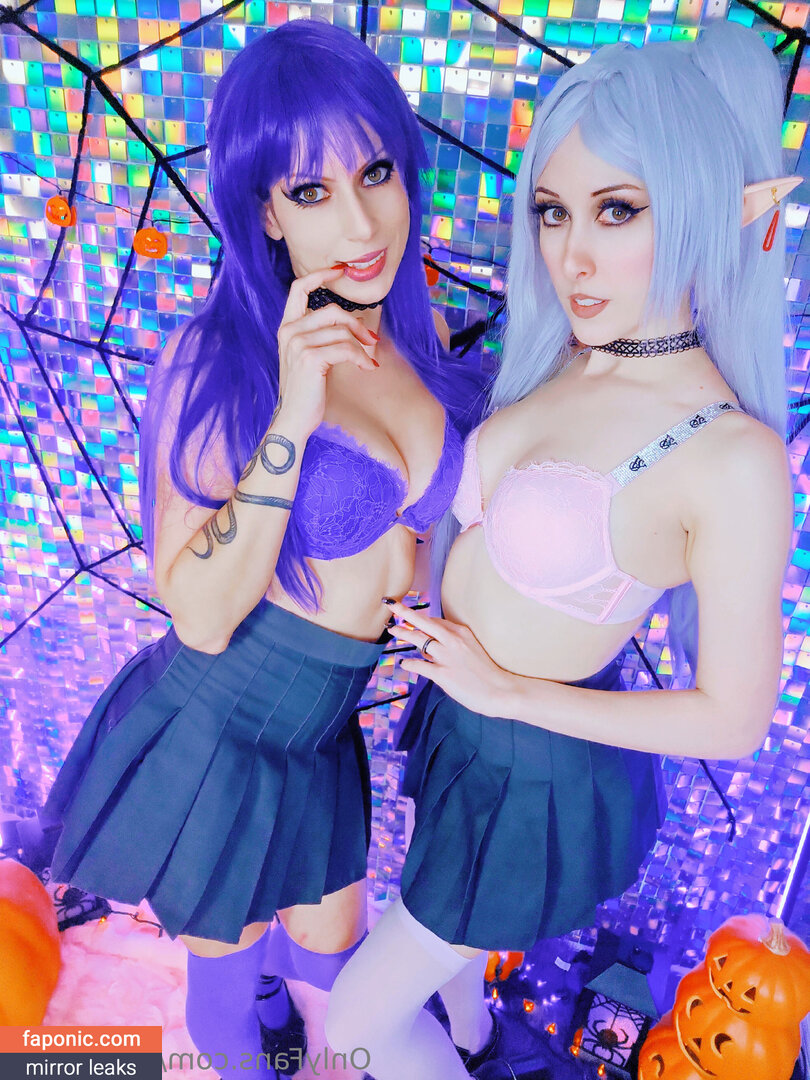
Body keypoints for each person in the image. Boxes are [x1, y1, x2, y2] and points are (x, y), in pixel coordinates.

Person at [325, 20, 798, 1079]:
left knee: (354, 1031)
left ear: (704, 208)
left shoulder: (729, 454)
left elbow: (733, 722)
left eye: (617, 210)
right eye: (553, 211)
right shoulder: (566, 359)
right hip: (461, 726)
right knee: (445, 942)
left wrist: (509, 691)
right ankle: (477, 1038)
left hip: (530, 763)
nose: (571, 255)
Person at [41, 18, 480, 1079]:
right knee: (228, 1004)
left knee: (338, 971)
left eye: (376, 172)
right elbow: (198, 614)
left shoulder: (420, 334)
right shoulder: (216, 359)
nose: (362, 222)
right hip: (224, 728)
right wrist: (293, 410)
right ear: (266, 212)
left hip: (326, 731)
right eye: (311, 190)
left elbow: (424, 542)